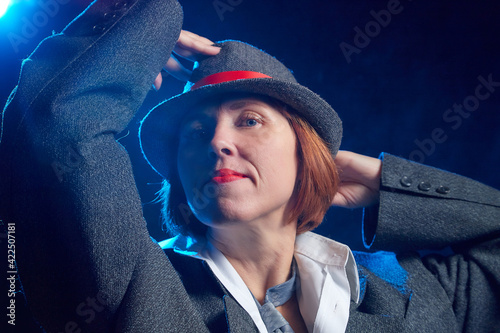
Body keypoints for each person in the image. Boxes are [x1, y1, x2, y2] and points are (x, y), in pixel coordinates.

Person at [0, 0, 498, 332]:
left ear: (307, 154)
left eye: (251, 121)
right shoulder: (129, 282)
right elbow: (57, 131)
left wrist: (389, 185)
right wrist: (140, 24)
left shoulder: (407, 295)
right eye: (196, 133)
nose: (218, 141)